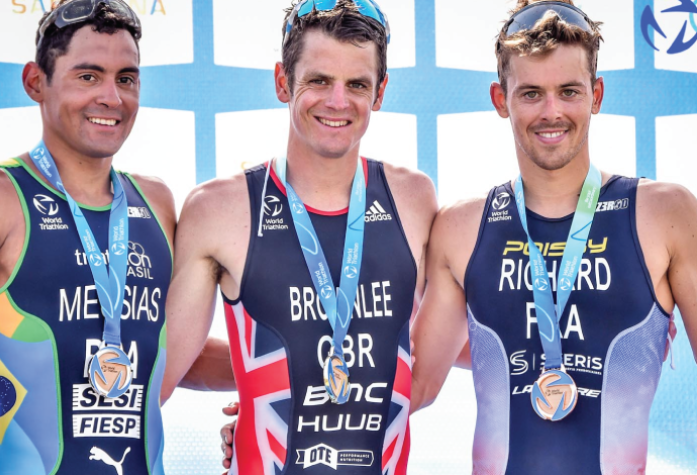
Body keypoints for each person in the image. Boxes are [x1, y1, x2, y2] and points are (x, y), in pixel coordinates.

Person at [408, 1, 697, 473]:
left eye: (568, 91)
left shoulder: (664, 213)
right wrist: (261, 410)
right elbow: (412, 387)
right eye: (530, 94)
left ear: (596, 95)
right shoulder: (461, 228)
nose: (551, 112)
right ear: (500, 100)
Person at [0, 1, 178, 473]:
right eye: (88, 76)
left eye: (126, 79)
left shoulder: (157, 203)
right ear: (35, 82)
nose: (112, 97)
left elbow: (174, 350)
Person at [160, 1, 438, 473]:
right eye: (318, 81)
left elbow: (452, 343)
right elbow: (163, 367)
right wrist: (264, 395)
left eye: (357, 84)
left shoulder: (414, 200)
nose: (337, 102)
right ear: (282, 81)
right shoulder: (219, 209)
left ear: (381, 91)